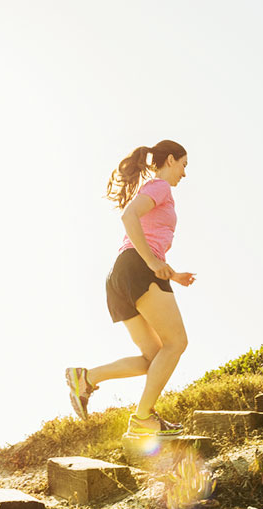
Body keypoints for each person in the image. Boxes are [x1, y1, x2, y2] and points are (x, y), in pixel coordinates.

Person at [66, 140, 194, 436]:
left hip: (121, 275)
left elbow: (147, 241)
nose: (184, 174)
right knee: (176, 343)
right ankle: (143, 420)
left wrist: (173, 275)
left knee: (154, 357)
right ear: (171, 160)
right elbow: (129, 217)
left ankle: (86, 378)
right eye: (184, 165)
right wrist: (151, 262)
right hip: (137, 269)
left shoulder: (154, 188)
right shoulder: (161, 187)